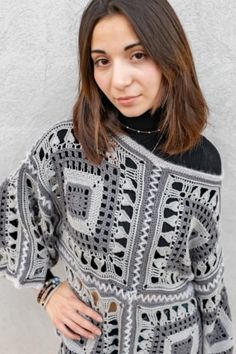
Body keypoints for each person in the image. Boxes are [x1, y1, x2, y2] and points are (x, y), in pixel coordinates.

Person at [0, 0, 234, 353]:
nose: (118, 80)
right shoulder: (68, 148)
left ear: (169, 54)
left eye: (137, 55)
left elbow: (208, 279)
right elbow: (11, 218)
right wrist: (48, 291)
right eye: (102, 61)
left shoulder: (204, 160)